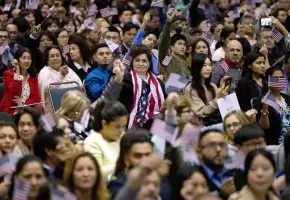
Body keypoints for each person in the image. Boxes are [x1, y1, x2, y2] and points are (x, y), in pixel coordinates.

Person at [103, 45, 165, 128]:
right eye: (137, 60)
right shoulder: (125, 79)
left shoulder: (159, 83)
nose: (140, 64)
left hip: (153, 124)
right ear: (132, 62)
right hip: (128, 124)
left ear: (149, 63)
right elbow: (111, 98)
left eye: (144, 61)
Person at [84, 100, 128, 182]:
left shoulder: (123, 137)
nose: (121, 131)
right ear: (104, 123)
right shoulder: (92, 142)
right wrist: (125, 164)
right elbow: (97, 174)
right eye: (117, 127)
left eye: (124, 126)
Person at [184, 53, 229, 126]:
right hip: (202, 125)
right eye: (205, 65)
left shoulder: (213, 86)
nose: (208, 68)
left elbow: (221, 108)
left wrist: (222, 89)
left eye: (210, 65)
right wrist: (218, 98)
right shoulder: (191, 89)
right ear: (197, 67)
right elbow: (203, 112)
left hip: (216, 121)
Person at [38, 46, 82, 113]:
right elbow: (49, 88)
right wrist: (61, 76)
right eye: (52, 56)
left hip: (72, 106)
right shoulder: (44, 72)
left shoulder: (68, 69)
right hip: (54, 110)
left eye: (57, 55)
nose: (55, 58)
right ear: (47, 60)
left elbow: (79, 85)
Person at [0, 48, 41, 115]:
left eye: (29, 58)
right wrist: (17, 71)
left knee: (40, 108)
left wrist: (23, 102)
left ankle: (50, 125)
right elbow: (14, 91)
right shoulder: (8, 74)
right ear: (17, 59)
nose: (27, 61)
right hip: (11, 110)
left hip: (27, 109)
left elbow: (36, 98)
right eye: (23, 58)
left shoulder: (33, 77)